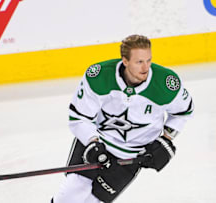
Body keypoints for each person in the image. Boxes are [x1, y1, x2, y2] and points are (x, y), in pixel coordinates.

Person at [52, 34, 194, 203]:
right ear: (125, 61)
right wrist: (92, 142)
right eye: (139, 62)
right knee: (70, 194)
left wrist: (166, 138)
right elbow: (79, 118)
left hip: (130, 157)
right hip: (96, 144)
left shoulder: (166, 84)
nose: (146, 67)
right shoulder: (99, 76)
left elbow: (183, 112)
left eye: (148, 60)